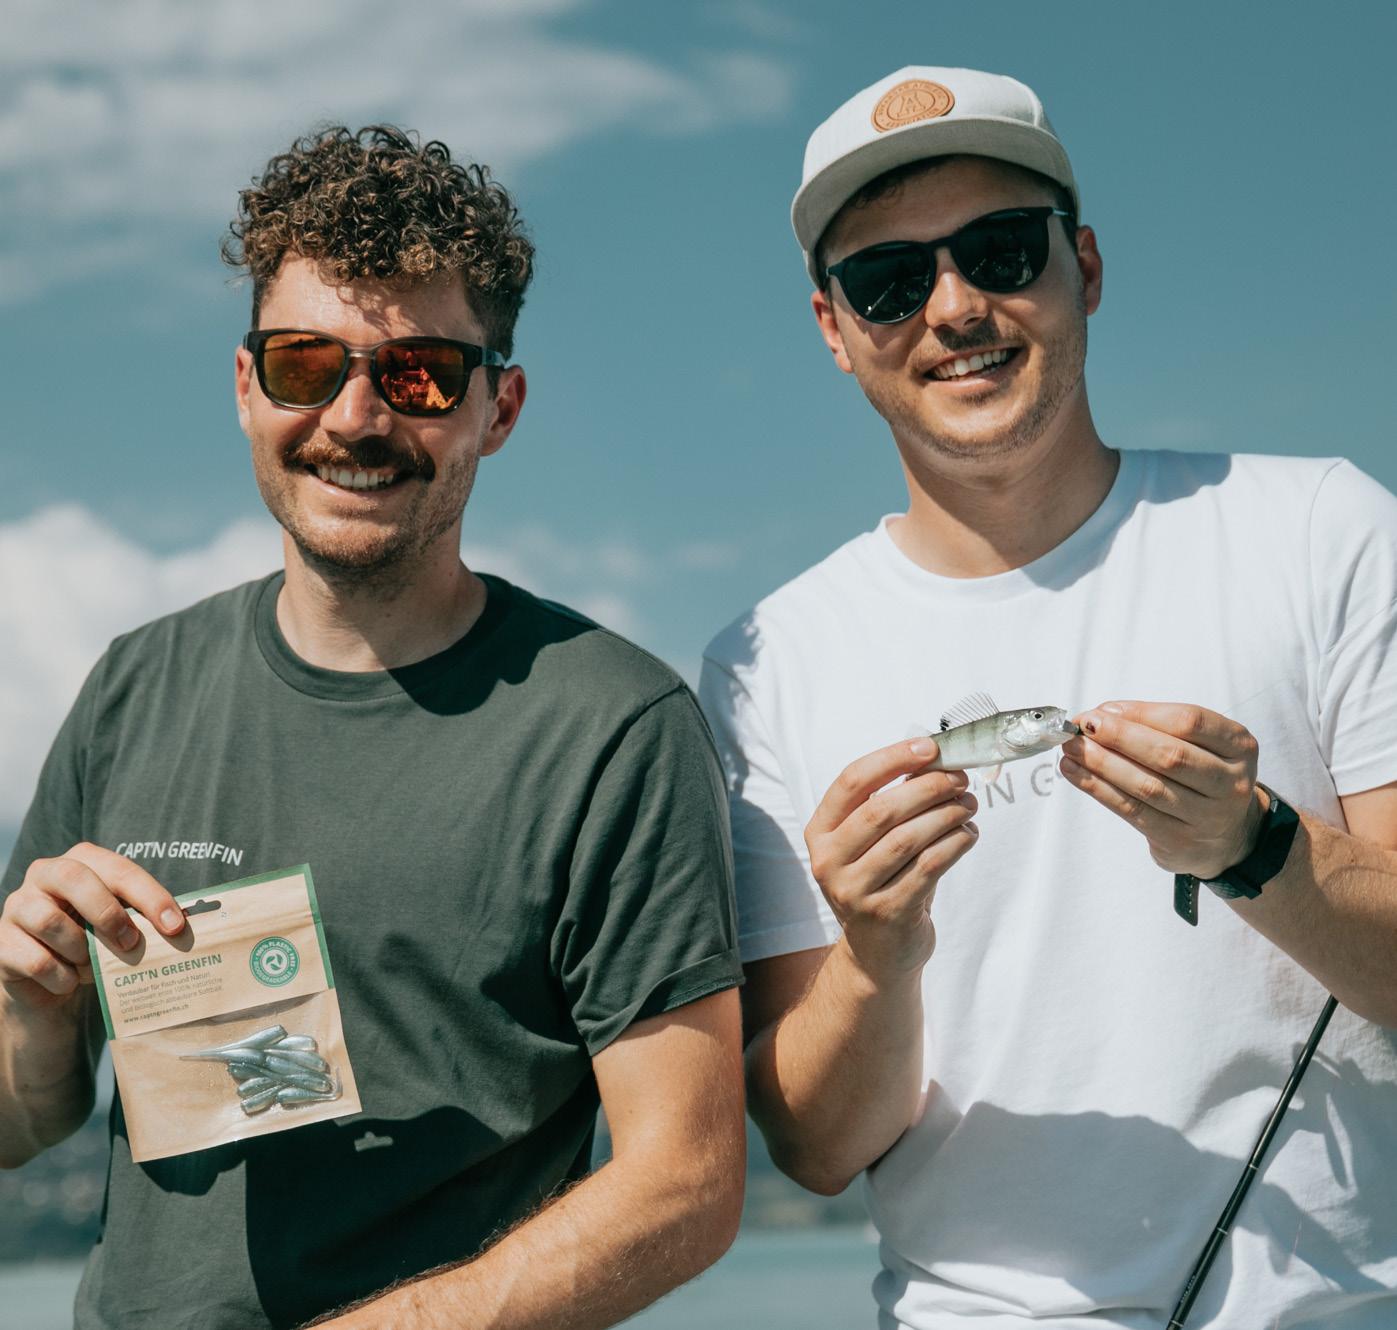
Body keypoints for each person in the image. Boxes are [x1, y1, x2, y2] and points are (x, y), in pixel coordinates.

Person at [0, 125, 745, 1329]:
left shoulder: (612, 727)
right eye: (305, 363)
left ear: (498, 408)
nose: (354, 417)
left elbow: (686, 1184)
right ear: (245, 387)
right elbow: (19, 1123)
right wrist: (33, 1017)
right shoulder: (134, 687)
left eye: (420, 374)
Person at [699, 65, 1397, 1329]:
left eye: (1001, 250)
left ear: (1083, 264)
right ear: (832, 328)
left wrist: (1255, 848)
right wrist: (874, 952)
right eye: (887, 280)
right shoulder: (766, 656)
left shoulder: (1320, 527)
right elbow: (814, 1146)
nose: (953, 306)